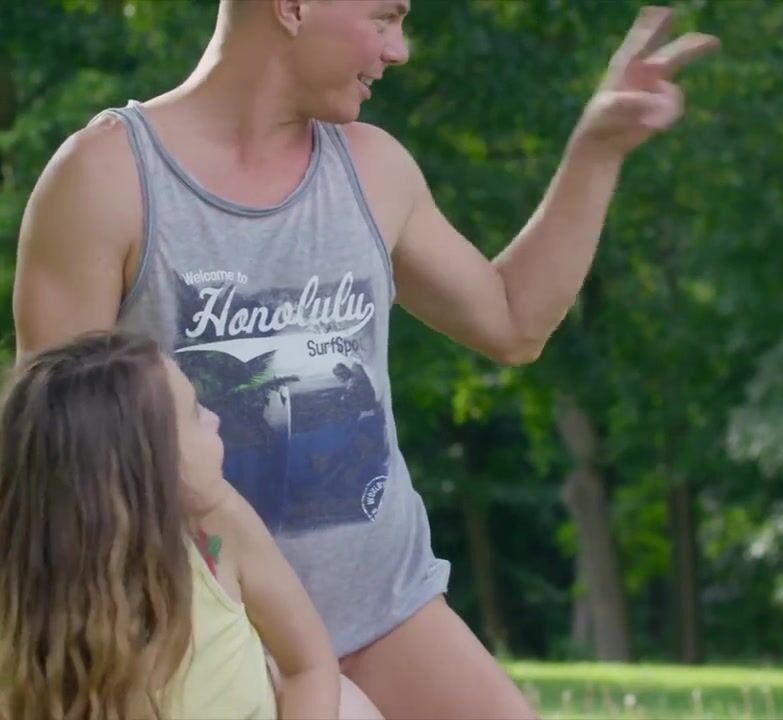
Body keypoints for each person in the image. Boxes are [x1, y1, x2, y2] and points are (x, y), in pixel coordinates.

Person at [11, 0, 718, 717]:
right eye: (384, 17)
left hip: (384, 612)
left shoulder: (373, 167)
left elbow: (513, 322)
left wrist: (597, 148)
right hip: (204, 635)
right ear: (293, 8)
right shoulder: (106, 178)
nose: (398, 49)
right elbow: (50, 473)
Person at [0, 330, 383, 720]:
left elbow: (309, 665)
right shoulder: (26, 614)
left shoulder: (220, 524)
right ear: (147, 468)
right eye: (196, 413)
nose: (215, 419)